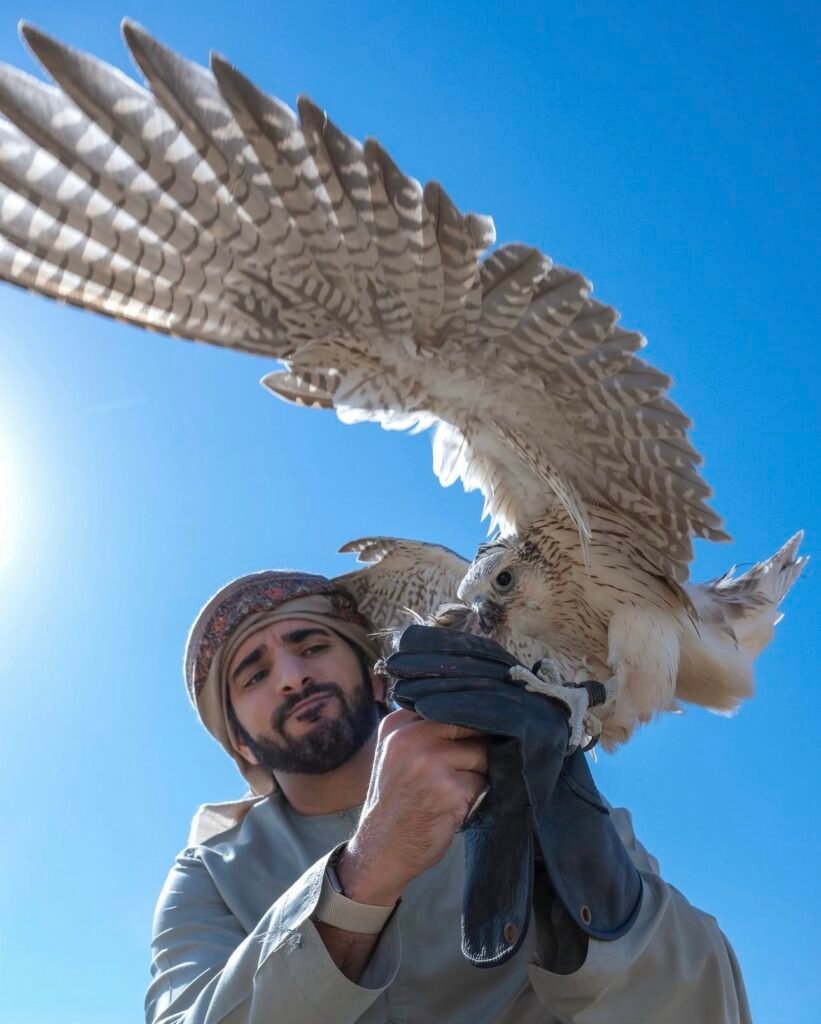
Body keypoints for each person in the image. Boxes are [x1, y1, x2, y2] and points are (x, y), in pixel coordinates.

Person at [146, 569, 751, 1024]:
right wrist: (363, 876)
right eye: (254, 674)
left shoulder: (519, 768)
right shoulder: (210, 875)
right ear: (240, 745)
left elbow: (702, 1004)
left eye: (312, 646)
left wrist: (572, 846)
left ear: (377, 678)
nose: (291, 676)